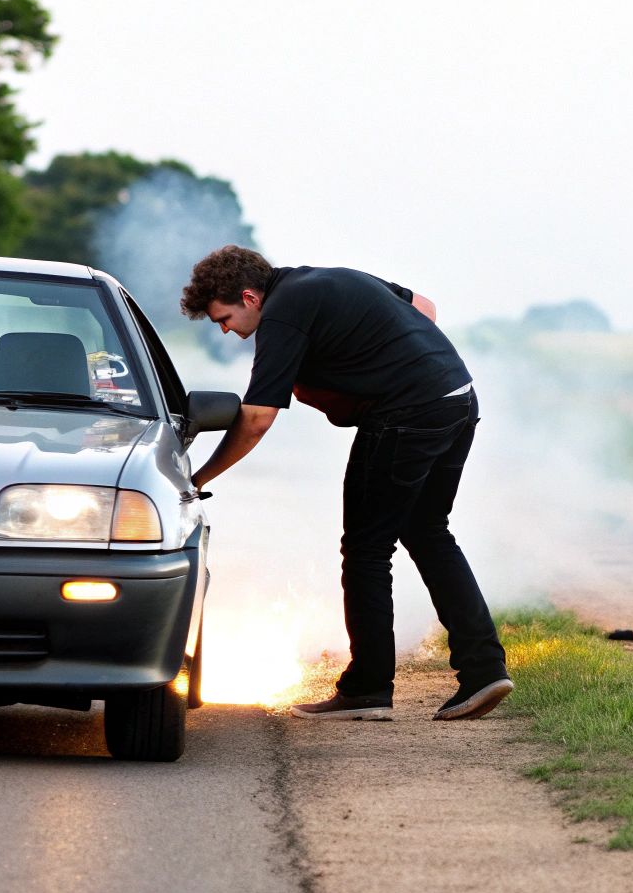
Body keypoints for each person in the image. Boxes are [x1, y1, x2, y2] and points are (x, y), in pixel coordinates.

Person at [180, 245, 512, 721]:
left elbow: (256, 419)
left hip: (407, 416)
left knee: (366, 550)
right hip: (457, 397)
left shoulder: (282, 316)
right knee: (427, 532)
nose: (227, 331)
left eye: (224, 318)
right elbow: (424, 307)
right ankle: (484, 669)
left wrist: (197, 478)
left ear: (251, 297)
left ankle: (367, 689)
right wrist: (398, 360)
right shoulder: (326, 279)